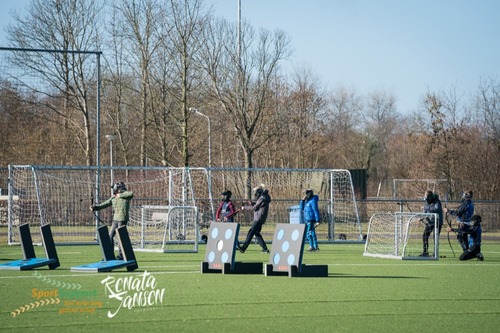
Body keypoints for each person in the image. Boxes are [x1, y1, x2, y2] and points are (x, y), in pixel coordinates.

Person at [91, 181, 134, 260]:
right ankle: (110, 255)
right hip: (115, 219)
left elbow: (131, 194)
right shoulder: (114, 197)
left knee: (120, 237)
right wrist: (95, 207)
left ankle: (121, 255)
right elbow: (105, 203)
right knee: (110, 236)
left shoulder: (125, 194)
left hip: (122, 218)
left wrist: (119, 194)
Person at [237, 184, 271, 254]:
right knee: (256, 233)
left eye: (256, 193)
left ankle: (243, 248)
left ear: (259, 192)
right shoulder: (263, 197)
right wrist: (252, 203)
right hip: (260, 218)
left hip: (258, 218)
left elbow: (255, 207)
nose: (255, 195)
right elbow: (258, 205)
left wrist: (244, 207)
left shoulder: (262, 198)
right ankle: (265, 249)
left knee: (251, 232)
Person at [443, 189, 474, 254]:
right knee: (463, 238)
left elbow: (458, 213)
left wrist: (448, 211)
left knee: (461, 237)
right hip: (468, 222)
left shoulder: (465, 203)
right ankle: (467, 251)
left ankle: (466, 252)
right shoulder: (470, 203)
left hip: (463, 223)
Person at [420, 190, 443, 257]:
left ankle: (435, 253)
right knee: (425, 236)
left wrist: (426, 207)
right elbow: (425, 211)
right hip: (430, 222)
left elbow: (436, 209)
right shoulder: (427, 201)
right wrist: (423, 217)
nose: (426, 199)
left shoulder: (437, 201)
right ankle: (425, 252)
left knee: (435, 237)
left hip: (437, 222)